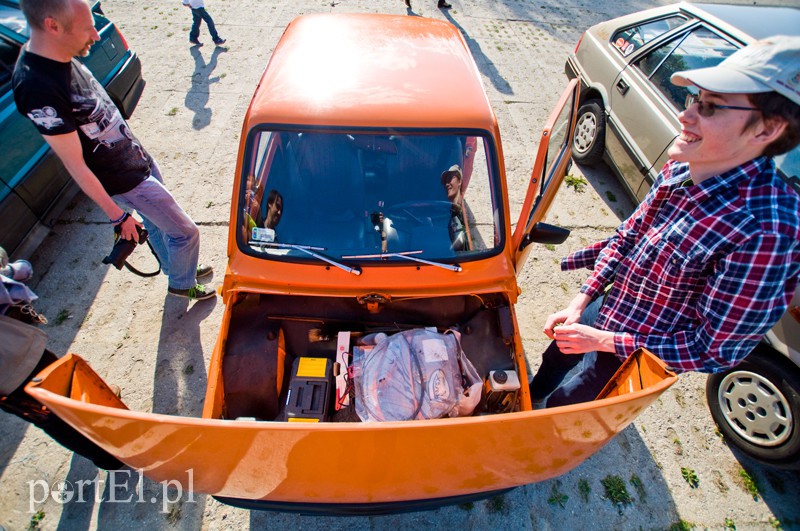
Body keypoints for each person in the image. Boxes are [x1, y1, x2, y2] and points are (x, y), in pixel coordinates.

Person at [530, 36, 800, 408]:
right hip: (612, 304)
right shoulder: (684, 165)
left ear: (766, 130)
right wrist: (583, 299)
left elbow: (712, 349)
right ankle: (530, 397)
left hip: (641, 351)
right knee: (555, 357)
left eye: (711, 107)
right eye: (694, 100)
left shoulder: (767, 233)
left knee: (570, 408)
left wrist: (602, 342)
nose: (685, 116)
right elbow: (630, 234)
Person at [13, 0, 215, 301]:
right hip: (125, 181)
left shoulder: (57, 51)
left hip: (136, 160)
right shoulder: (38, 88)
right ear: (53, 26)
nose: (96, 36)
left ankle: (177, 270)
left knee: (159, 226)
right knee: (186, 233)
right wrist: (117, 216)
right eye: (87, 28)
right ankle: (182, 284)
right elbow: (75, 164)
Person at [1, 246, 124, 470]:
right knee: (55, 400)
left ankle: (102, 450)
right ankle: (108, 448)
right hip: (10, 354)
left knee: (38, 411)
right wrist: (10, 271)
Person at [441, 164, 471, 251]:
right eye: (445, 181)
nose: (447, 184)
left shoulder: (464, 214)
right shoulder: (447, 213)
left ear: (460, 181)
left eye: (450, 178)